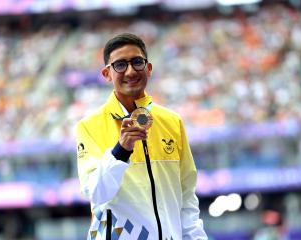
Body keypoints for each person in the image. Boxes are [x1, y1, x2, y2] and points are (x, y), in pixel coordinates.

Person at [76, 33, 207, 240]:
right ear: (107, 74)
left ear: (148, 68)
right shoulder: (89, 126)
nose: (130, 71)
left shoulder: (172, 121)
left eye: (137, 62)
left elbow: (186, 197)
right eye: (120, 65)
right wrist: (121, 151)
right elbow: (96, 193)